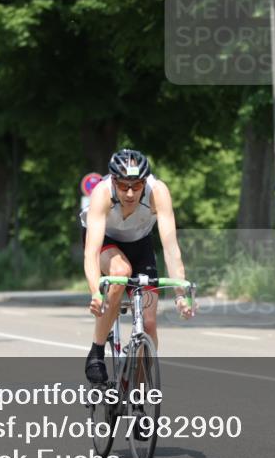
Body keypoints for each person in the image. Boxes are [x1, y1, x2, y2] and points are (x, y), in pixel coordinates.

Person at [79, 148, 195, 388]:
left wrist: (180, 295)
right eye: (123, 186)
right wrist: (95, 293)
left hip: (140, 244)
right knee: (121, 273)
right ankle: (97, 352)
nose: (130, 193)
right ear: (113, 181)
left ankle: (139, 395)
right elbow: (91, 252)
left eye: (137, 185)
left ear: (145, 182)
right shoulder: (102, 193)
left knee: (150, 323)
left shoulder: (158, 192)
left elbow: (171, 248)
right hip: (106, 243)